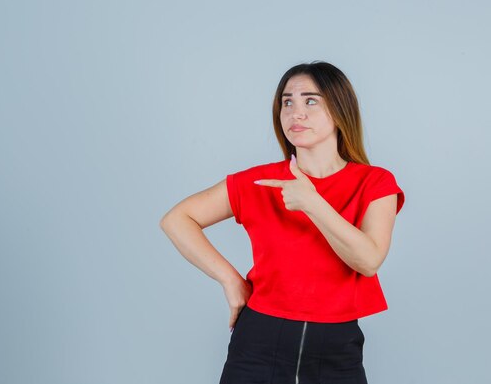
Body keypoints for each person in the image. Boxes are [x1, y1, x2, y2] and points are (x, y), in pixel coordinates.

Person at [159, 61, 405, 384]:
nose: (295, 113)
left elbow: (369, 259)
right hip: (258, 342)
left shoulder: (375, 183)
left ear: (340, 109)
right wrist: (231, 280)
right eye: (287, 102)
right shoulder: (259, 182)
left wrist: (311, 201)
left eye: (310, 101)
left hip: (336, 349)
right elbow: (177, 220)